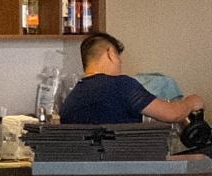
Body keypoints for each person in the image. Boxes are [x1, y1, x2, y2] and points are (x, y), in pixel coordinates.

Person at [59, 32, 204, 125]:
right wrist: (191, 102)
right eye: (118, 57)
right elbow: (172, 114)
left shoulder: (71, 100)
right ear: (110, 53)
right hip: (125, 170)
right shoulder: (120, 85)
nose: (121, 64)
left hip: (86, 172)